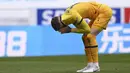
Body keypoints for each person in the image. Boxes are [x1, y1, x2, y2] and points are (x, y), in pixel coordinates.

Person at [51, 1, 112, 73]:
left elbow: (87, 29)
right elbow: (83, 30)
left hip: (104, 12)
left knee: (90, 36)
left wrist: (70, 30)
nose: (61, 32)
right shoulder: (67, 17)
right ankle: (90, 65)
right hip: (97, 13)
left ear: (61, 25)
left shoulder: (73, 16)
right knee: (84, 37)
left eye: (59, 30)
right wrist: (70, 30)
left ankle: (95, 66)